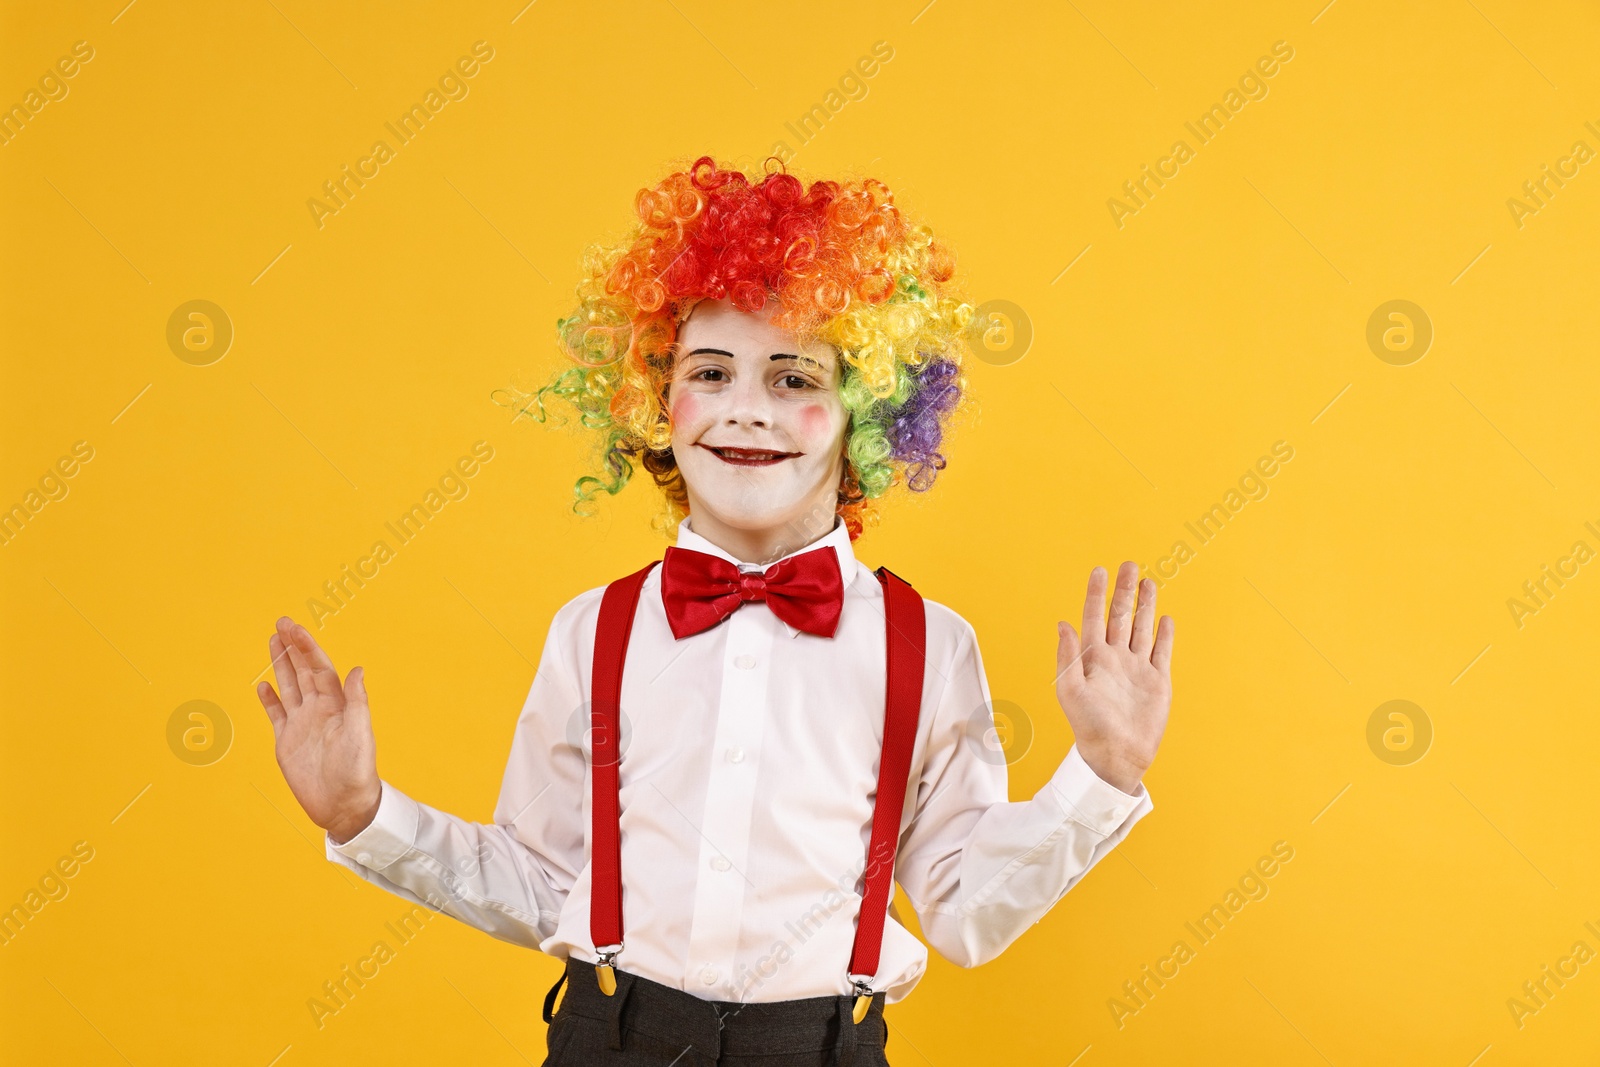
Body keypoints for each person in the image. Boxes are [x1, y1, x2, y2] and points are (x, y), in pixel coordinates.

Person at [257, 155, 1175, 1066]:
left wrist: (1100, 775)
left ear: (869, 414)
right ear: (657, 399)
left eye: (794, 379)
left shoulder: (928, 646)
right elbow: (543, 883)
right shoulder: (594, 631)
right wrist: (364, 815)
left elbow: (969, 912)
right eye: (711, 372)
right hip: (609, 1041)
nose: (745, 411)